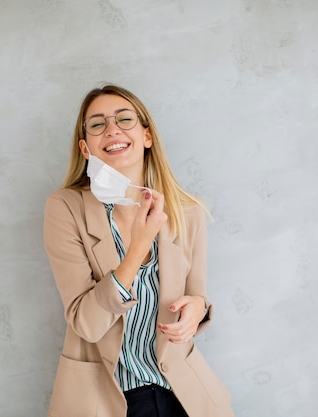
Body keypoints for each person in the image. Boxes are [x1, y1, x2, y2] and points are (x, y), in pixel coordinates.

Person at [43, 84, 235, 417]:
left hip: (183, 394)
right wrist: (138, 247)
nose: (112, 129)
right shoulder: (65, 207)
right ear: (86, 148)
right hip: (106, 401)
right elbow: (86, 324)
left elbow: (197, 297)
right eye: (98, 124)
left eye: (124, 119)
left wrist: (197, 308)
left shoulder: (186, 212)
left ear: (147, 136)